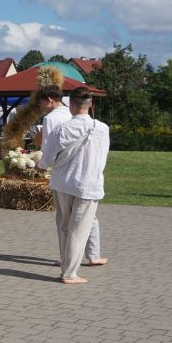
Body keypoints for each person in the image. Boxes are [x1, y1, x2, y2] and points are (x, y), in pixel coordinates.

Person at [37, 87, 109, 284]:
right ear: (90, 105)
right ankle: (70, 273)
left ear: (71, 105)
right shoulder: (102, 128)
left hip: (64, 182)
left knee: (65, 226)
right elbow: (102, 158)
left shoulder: (62, 128)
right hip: (88, 184)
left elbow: (48, 158)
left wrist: (40, 166)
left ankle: (65, 267)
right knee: (79, 230)